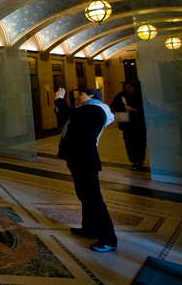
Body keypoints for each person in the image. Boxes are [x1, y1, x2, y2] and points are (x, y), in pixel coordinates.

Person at [55, 87, 117, 253]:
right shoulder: (87, 110)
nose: (78, 97)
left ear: (92, 96)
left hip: (85, 160)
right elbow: (66, 120)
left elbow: (70, 115)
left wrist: (60, 99)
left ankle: (109, 238)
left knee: (93, 199)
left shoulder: (95, 110)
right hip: (78, 158)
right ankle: (89, 229)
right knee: (85, 196)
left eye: (81, 94)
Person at [111, 81, 147, 171]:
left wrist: (135, 110)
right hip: (127, 125)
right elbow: (114, 105)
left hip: (139, 124)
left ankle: (140, 160)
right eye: (126, 87)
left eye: (130, 87)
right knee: (130, 143)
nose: (128, 89)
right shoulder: (121, 95)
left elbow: (145, 107)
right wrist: (124, 108)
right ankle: (134, 161)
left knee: (140, 143)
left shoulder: (140, 95)